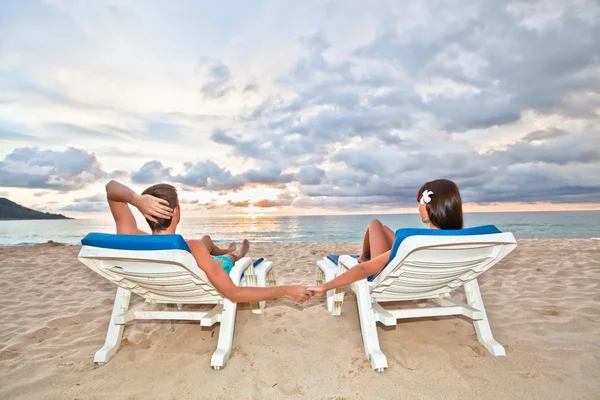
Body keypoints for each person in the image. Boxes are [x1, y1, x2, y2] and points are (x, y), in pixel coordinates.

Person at [105, 180, 312, 304]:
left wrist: (135, 198)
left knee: (206, 242)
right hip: (204, 270)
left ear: (144, 213)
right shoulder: (191, 247)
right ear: (177, 212)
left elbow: (111, 189)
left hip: (162, 283)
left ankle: (225, 251)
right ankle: (237, 254)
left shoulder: (131, 237)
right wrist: (285, 290)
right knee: (228, 259)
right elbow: (234, 293)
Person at [307, 179, 464, 298]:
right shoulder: (464, 240)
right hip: (429, 281)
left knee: (375, 224)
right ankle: (364, 256)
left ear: (431, 205)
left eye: (421, 203)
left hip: (391, 279)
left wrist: (324, 287)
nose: (418, 208)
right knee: (384, 230)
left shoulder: (415, 239)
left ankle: (362, 257)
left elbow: (364, 270)